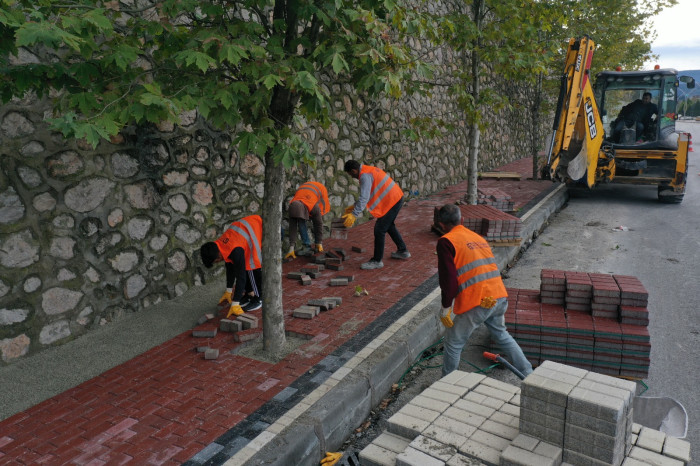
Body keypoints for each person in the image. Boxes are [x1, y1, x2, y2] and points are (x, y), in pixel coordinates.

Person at [435, 204, 532, 378]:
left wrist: (445, 307)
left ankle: (446, 384)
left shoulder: (446, 242)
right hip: (498, 296)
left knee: (453, 343)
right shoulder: (477, 237)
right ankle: (527, 372)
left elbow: (448, 281)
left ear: (441, 225)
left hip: (477, 301)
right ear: (462, 220)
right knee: (502, 335)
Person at [342, 160, 410, 270]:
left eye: (350, 174)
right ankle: (403, 250)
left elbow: (364, 197)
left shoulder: (364, 176)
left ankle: (377, 261)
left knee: (379, 229)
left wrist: (354, 214)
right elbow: (367, 195)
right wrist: (354, 206)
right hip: (395, 198)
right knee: (389, 226)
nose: (352, 177)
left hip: (393, 200)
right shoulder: (367, 170)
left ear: (354, 170)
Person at [199, 215, 263, 317]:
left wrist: (235, 302)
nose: (217, 263)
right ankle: (249, 294)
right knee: (243, 268)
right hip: (249, 230)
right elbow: (230, 269)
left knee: (251, 268)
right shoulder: (221, 246)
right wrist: (229, 290)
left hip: (259, 228)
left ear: (218, 257)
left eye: (216, 262)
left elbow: (241, 276)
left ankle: (259, 298)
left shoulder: (235, 251)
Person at [285, 181, 330, 260]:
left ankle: (317, 244)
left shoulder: (314, 206)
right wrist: (291, 247)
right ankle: (306, 246)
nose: (298, 220)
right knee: (301, 221)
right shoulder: (292, 207)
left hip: (320, 191)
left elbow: (318, 224)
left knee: (317, 219)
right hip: (304, 193)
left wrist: (319, 242)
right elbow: (292, 228)